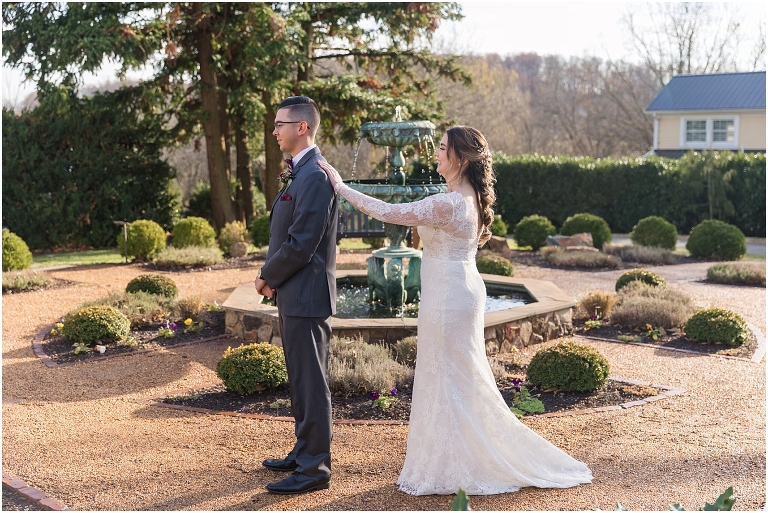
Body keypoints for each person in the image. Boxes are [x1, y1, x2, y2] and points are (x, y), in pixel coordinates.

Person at [319, 126, 593, 496]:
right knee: (452, 376)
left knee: (450, 376)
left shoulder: (447, 204)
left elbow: (386, 211)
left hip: (449, 298)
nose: (436, 153)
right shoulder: (465, 199)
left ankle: (457, 464)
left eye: (443, 148)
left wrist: (340, 185)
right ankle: (450, 460)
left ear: (461, 159)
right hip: (457, 290)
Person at [254, 96, 337, 495]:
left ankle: (315, 469)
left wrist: (265, 276)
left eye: (280, 124)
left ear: (301, 127)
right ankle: (303, 451)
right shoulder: (299, 173)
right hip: (293, 293)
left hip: (307, 295)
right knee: (300, 380)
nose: (275, 131)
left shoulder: (316, 177)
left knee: (311, 382)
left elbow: (303, 242)